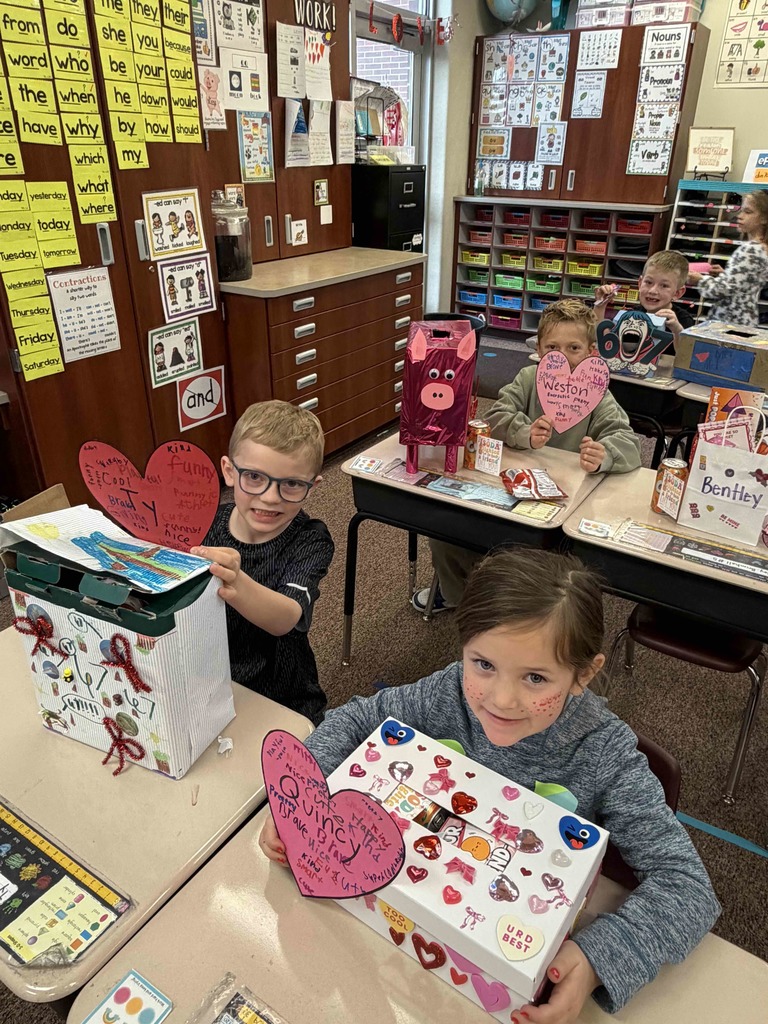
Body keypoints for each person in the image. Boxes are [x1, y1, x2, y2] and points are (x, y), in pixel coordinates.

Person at [260, 549, 720, 1021]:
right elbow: (357, 717)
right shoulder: (449, 691)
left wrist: (594, 960)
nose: (502, 699)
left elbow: (689, 889)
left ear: (584, 674)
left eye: (536, 678)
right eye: (483, 664)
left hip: (500, 962)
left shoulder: (605, 755)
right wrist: (304, 801)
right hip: (391, 931)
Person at [413, 299, 641, 613]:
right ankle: (463, 603)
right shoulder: (528, 379)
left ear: (591, 352)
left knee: (532, 566)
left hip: (561, 510)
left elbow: (628, 443)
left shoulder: (597, 393)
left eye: (573, 348)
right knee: (446, 537)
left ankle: (519, 612)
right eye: (552, 348)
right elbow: (496, 417)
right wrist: (524, 432)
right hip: (510, 490)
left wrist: (605, 455)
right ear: (539, 350)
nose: (562, 356)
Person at [192, 401, 334, 725]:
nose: (270, 497)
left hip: (285, 699)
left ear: (312, 487)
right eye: (254, 477)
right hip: (211, 686)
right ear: (229, 472)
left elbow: (285, 616)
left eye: (292, 484)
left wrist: (237, 582)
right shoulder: (205, 525)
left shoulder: (310, 540)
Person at [688, 190, 768, 326]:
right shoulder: (762, 247)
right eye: (741, 211)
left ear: (764, 218)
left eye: (748, 212)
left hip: (730, 320)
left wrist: (699, 279)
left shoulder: (750, 249)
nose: (740, 216)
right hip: (746, 318)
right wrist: (726, 275)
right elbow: (743, 284)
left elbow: (722, 290)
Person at [595, 249, 694, 343]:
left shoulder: (683, 320)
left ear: (677, 293)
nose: (653, 291)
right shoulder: (633, 314)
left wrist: (676, 330)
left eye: (664, 285)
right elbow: (603, 340)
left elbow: (686, 355)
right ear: (640, 283)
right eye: (648, 282)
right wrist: (600, 304)